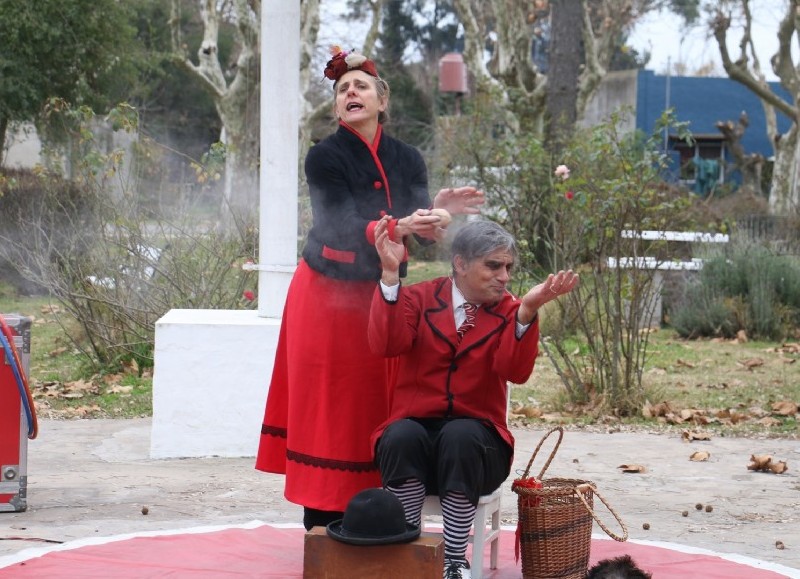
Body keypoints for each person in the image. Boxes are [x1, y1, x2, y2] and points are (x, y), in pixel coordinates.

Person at [255, 45, 485, 532]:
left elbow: (421, 225)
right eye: (342, 89)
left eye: (359, 86)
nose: (350, 93)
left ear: (382, 101)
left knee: (382, 400)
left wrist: (437, 211)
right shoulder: (324, 157)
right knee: (331, 405)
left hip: (383, 293)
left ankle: (386, 509)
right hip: (325, 297)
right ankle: (321, 514)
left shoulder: (407, 157)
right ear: (338, 107)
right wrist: (398, 225)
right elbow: (337, 223)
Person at [368, 218, 579, 579]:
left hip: (477, 453)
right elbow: (386, 345)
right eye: (493, 265)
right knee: (401, 433)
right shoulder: (419, 298)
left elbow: (515, 371)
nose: (504, 277)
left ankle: (454, 560)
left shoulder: (512, 310)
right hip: (413, 452)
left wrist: (527, 311)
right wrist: (390, 276)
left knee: (460, 434)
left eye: (508, 267)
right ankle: (407, 547)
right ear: (461, 263)